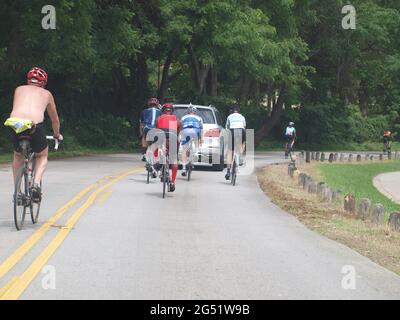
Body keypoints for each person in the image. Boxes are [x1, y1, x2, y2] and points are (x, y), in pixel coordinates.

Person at [6, 67, 63, 202]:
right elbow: (55, 120)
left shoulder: (19, 89)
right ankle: (36, 184)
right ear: (43, 83)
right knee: (42, 155)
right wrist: (56, 135)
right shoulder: (47, 94)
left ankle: (18, 192)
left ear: (28, 80)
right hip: (34, 125)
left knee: (18, 155)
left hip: (15, 124)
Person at [156, 103, 181, 192]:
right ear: (172, 111)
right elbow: (178, 133)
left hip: (161, 136)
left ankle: (158, 161)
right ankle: (173, 182)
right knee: (174, 160)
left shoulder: (159, 118)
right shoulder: (176, 119)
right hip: (173, 136)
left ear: (163, 111)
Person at [180, 105, 203, 177]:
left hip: (185, 131)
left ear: (187, 112)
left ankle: (183, 168)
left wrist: (180, 136)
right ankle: (196, 152)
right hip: (195, 131)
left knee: (184, 149)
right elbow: (201, 129)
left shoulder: (183, 117)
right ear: (195, 112)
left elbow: (180, 128)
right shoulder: (199, 118)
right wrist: (201, 138)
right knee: (197, 137)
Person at [225, 105, 246, 181]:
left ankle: (228, 171)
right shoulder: (242, 117)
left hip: (232, 131)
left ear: (232, 111)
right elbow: (244, 126)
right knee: (243, 142)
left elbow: (227, 128)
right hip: (241, 131)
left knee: (230, 151)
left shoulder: (229, 117)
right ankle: (240, 156)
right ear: (238, 111)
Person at [139, 97, 162, 162]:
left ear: (149, 104)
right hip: (155, 128)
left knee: (144, 136)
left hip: (147, 127)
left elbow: (141, 124)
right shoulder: (160, 112)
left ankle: (144, 153)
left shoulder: (144, 111)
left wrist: (141, 133)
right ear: (157, 104)